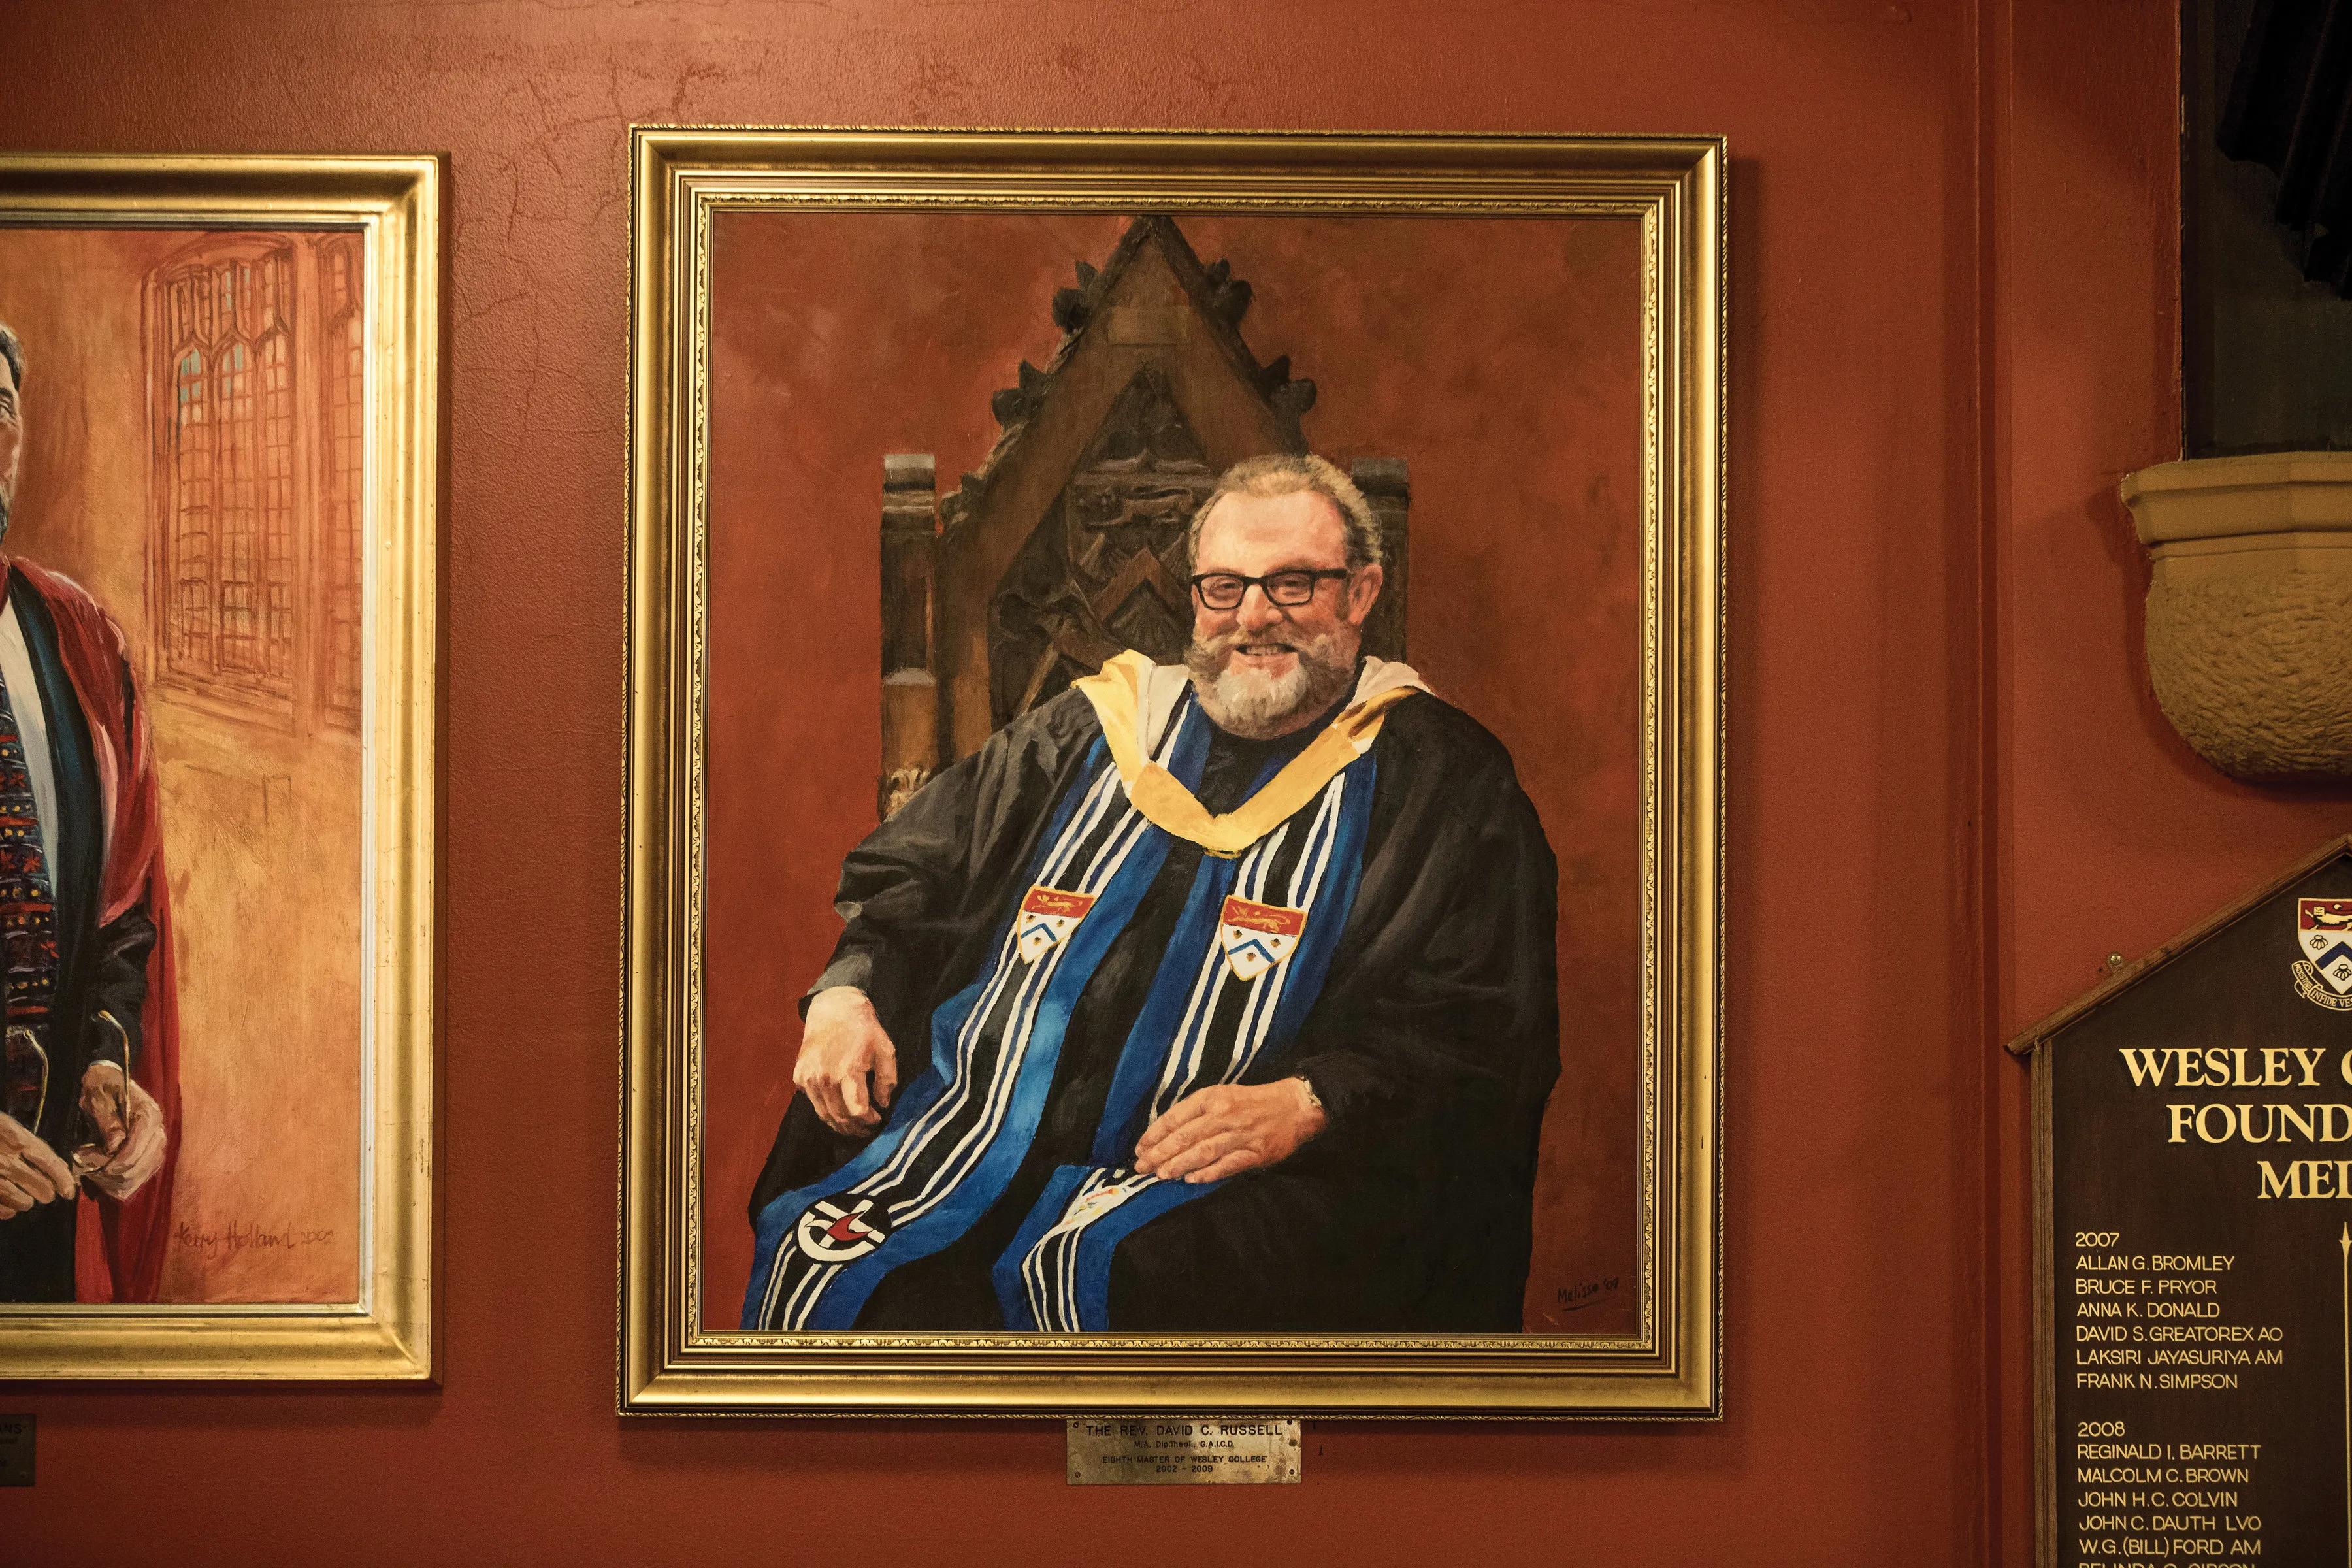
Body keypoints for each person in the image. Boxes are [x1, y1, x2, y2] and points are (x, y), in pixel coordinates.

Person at [746, 453, 1558, 1333]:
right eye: (1223, 587)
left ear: (1360, 594)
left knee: (1149, 1277)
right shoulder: (1090, 727)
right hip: (980, 1128)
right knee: (828, 1244)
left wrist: (1308, 1103)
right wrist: (845, 994)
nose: (1252, 618)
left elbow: (1484, 1029)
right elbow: (920, 869)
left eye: (1292, 586)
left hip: (1243, 1171)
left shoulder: (1445, 782)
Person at [0, 323, 178, 1303]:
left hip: (39, 1219)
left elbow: (120, 910)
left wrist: (107, 1064)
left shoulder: (72, 637)